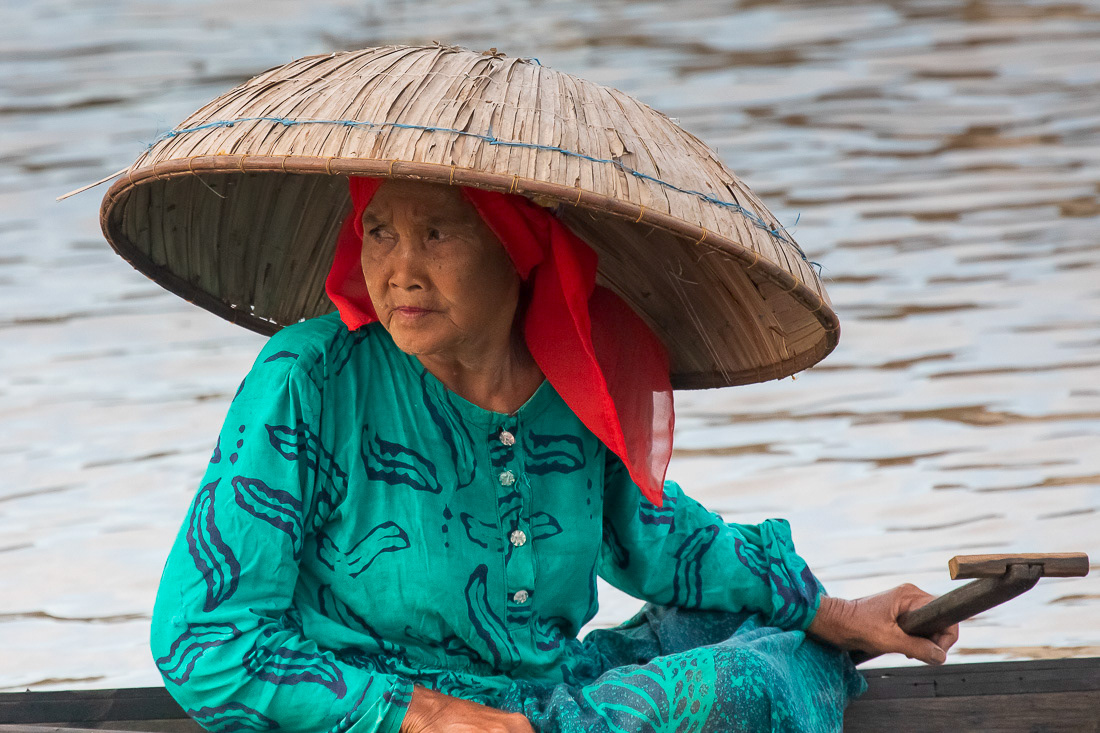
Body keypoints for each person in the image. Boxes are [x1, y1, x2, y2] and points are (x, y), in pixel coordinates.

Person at [149, 175, 957, 733]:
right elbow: (200, 636)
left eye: (436, 232)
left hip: (547, 699)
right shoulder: (310, 378)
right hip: (379, 711)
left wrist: (839, 612)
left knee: (753, 619)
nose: (399, 268)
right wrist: (419, 714)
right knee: (745, 681)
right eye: (379, 229)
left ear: (516, 245)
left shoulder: (572, 382)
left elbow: (665, 541)